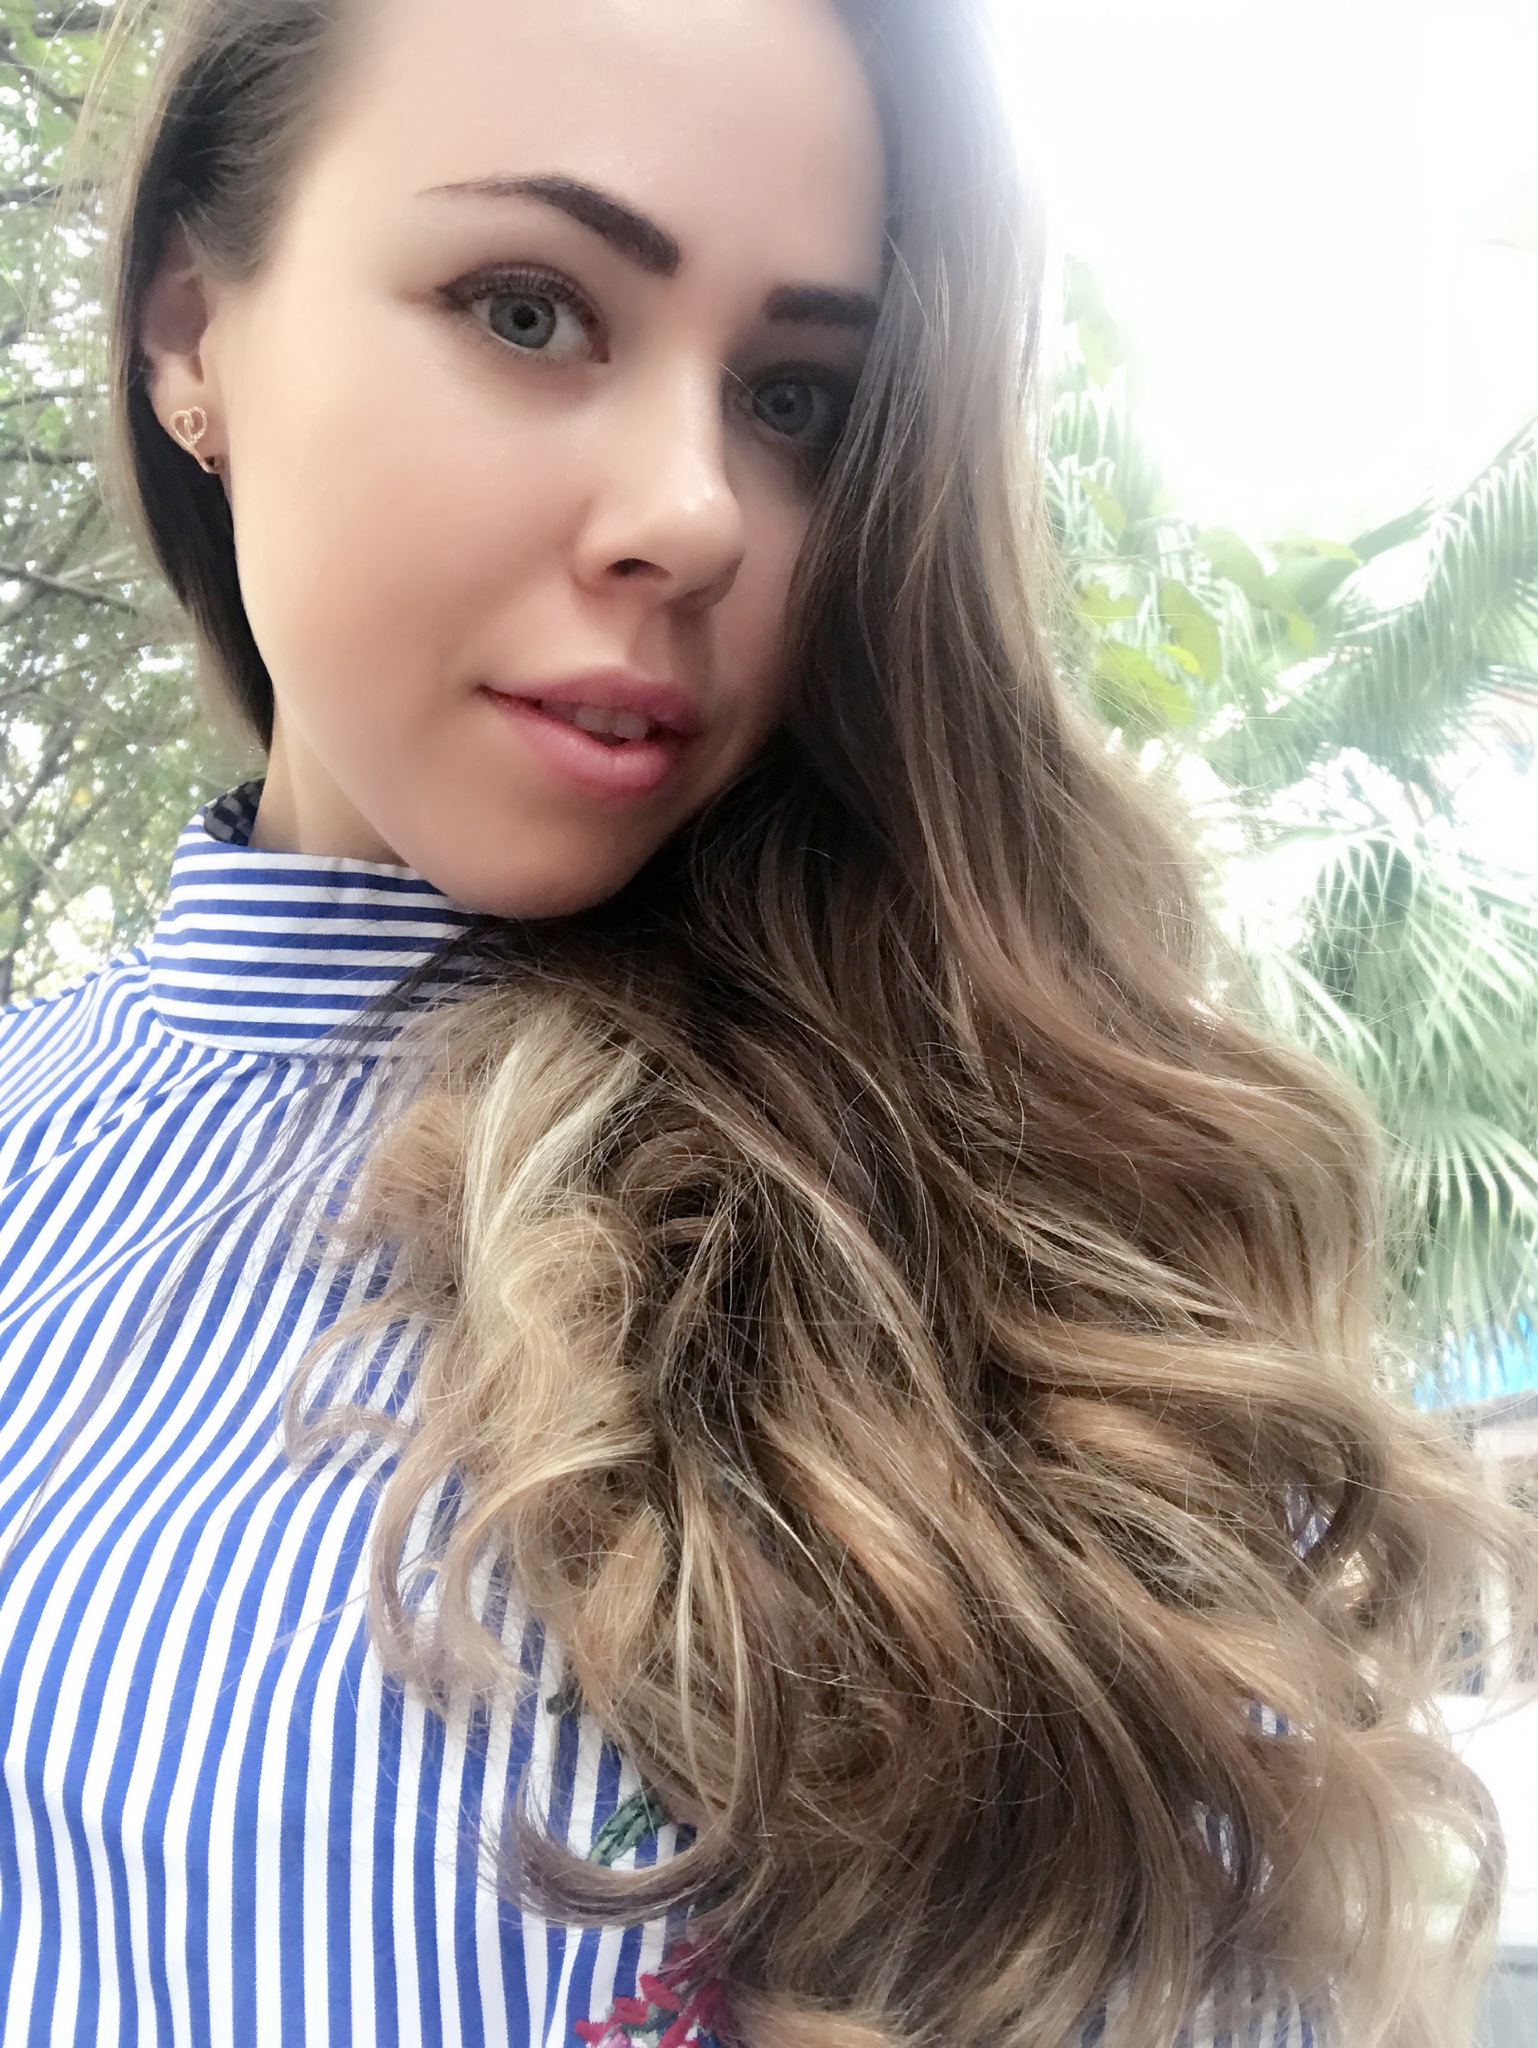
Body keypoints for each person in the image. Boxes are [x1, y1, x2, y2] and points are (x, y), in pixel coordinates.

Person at [0, 0, 1525, 2042]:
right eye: (528, 310)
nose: (697, 509)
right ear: (194, 328)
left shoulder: (1019, 1259)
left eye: (797, 401)